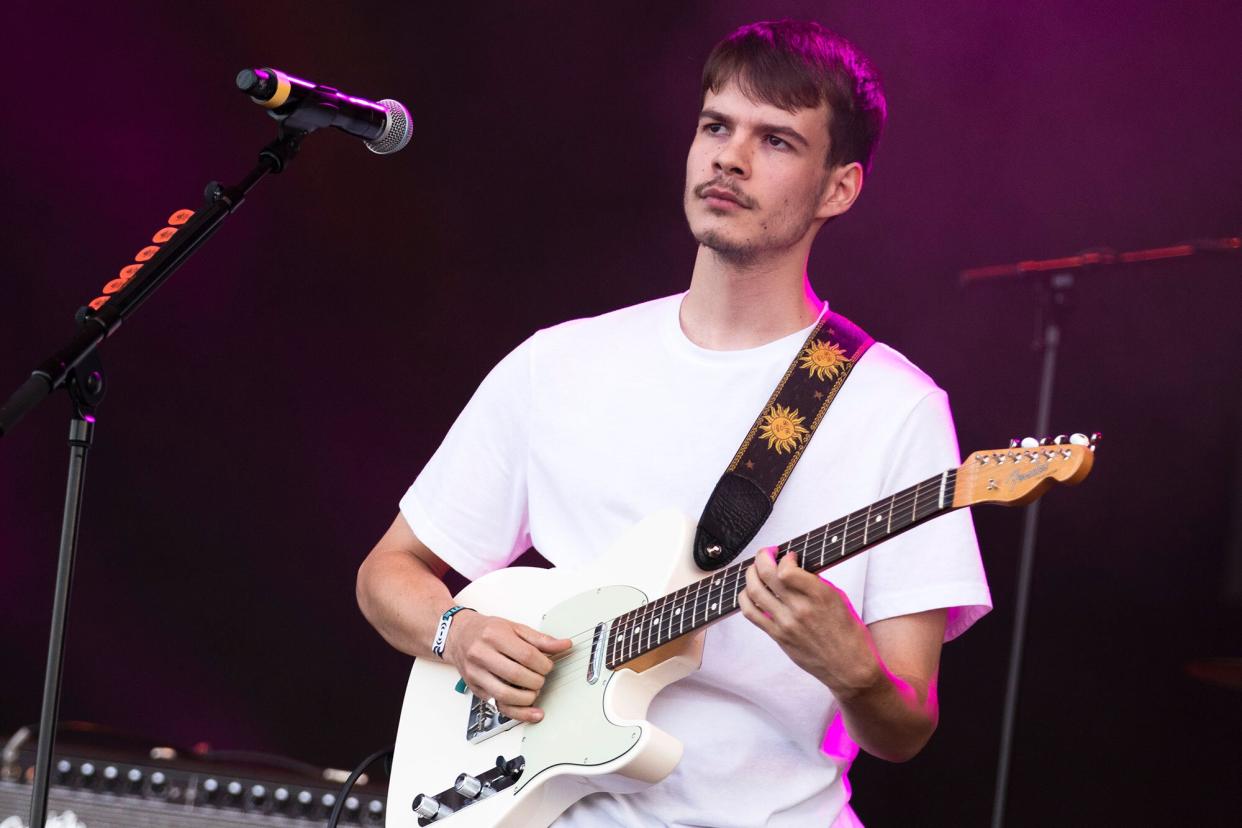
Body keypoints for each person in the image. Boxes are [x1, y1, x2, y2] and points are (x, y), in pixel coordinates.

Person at [357, 19, 991, 827]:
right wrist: (461, 632)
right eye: (716, 125)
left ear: (839, 187)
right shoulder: (558, 363)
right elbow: (389, 575)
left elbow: (906, 728)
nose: (729, 156)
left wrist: (858, 675)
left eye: (778, 141)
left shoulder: (895, 408)